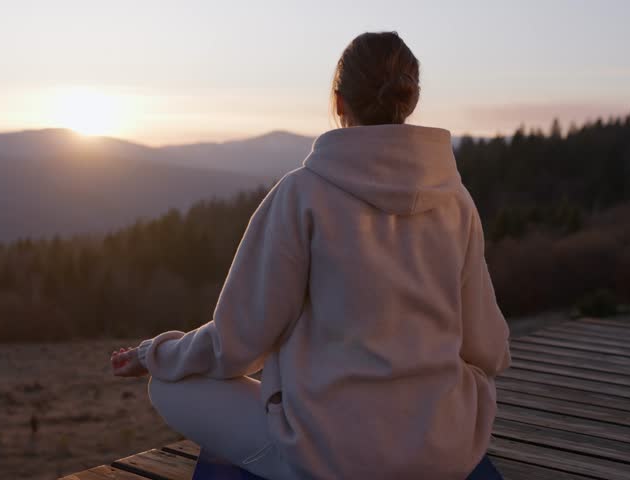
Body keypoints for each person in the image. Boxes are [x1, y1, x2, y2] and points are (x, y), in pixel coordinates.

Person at [111, 31, 511, 479]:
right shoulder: (456, 201)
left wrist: (154, 353)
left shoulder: (302, 194)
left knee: (169, 388)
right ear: (410, 99)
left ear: (339, 102)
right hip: (443, 450)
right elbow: (488, 348)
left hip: (333, 456)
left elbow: (237, 346)